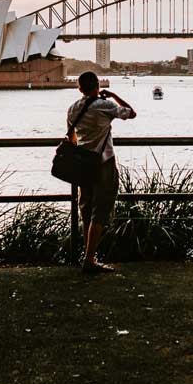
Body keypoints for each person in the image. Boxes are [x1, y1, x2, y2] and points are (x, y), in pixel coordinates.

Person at [67, 71, 136, 273]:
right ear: (97, 86)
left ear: (80, 88)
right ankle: (89, 259)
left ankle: (88, 256)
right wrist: (112, 95)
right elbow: (131, 112)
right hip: (103, 162)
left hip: (82, 164)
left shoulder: (73, 109)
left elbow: (72, 138)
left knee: (86, 209)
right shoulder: (104, 105)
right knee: (101, 209)